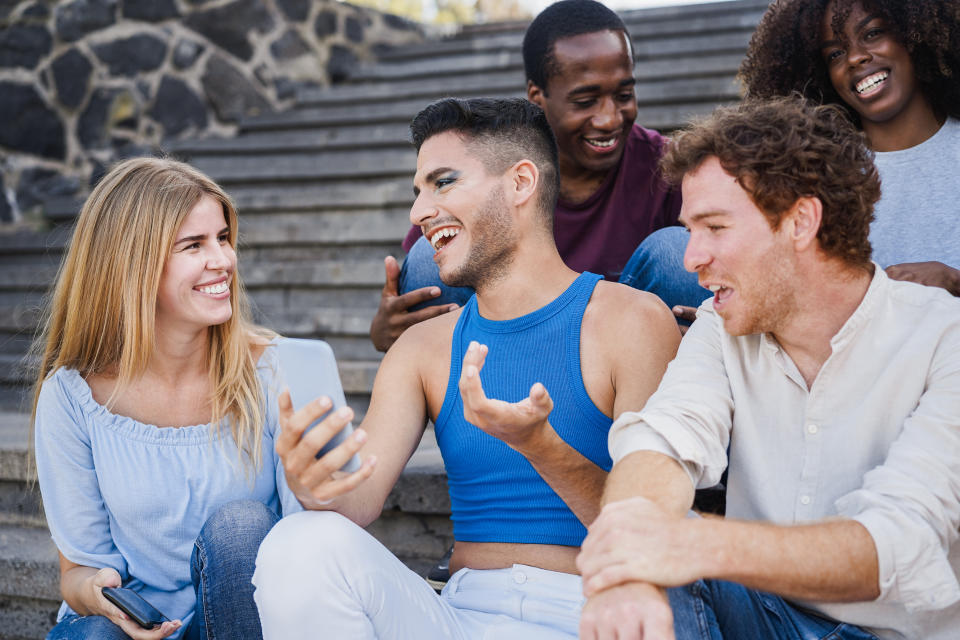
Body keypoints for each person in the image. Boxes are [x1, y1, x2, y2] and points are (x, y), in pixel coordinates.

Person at [252, 97, 681, 639]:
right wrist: (313, 483)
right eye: (418, 192)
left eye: (443, 182)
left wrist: (539, 444)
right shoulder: (422, 349)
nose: (418, 212)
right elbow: (356, 500)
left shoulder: (634, 321)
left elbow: (652, 532)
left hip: (589, 611)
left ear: (521, 183)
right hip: (460, 614)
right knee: (299, 542)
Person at [576, 95, 960, 640]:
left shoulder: (946, 338)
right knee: (645, 523)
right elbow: (662, 440)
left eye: (714, 227)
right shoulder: (722, 324)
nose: (690, 258)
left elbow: (899, 544)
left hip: (895, 632)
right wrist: (632, 569)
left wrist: (685, 543)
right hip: (765, 616)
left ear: (801, 221)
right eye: (690, 230)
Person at [32, 158, 305, 640]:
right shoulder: (72, 396)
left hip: (242, 618)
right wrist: (99, 592)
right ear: (132, 265)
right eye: (193, 245)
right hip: (131, 630)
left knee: (242, 526)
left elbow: (313, 543)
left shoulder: (273, 368)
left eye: (222, 237)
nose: (223, 260)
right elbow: (76, 572)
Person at [369, 0, 707, 353]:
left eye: (624, 94)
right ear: (538, 97)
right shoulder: (494, 166)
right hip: (515, 355)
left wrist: (715, 324)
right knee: (428, 259)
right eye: (585, 100)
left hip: (627, 355)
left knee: (678, 252)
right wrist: (384, 333)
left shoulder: (668, 165)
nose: (610, 118)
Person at [738, 0, 960, 296]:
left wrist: (953, 281)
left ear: (916, 35)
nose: (854, 57)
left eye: (872, 33)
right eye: (835, 53)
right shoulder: (814, 179)